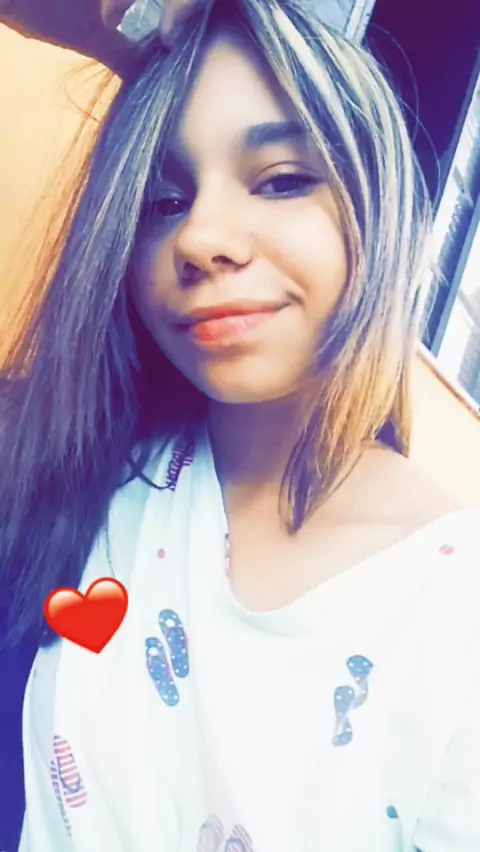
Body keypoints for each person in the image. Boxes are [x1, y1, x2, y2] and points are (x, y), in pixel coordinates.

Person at [1, 0, 479, 849]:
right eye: (162, 200)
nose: (200, 237)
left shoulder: (452, 612)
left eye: (283, 179)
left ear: (378, 210)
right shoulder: (66, 468)